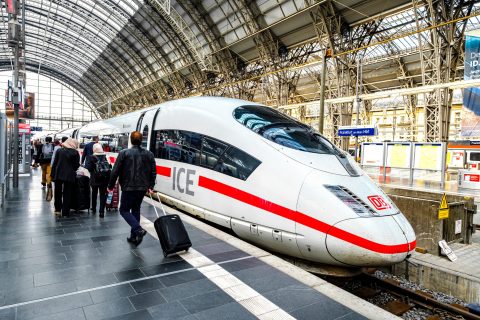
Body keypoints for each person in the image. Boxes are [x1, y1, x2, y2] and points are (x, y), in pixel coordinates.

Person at [108, 131, 156, 246]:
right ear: (141, 140)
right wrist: (151, 186)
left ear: (130, 140)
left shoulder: (124, 153)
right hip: (142, 188)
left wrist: (110, 186)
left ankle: (138, 229)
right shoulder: (149, 154)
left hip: (128, 187)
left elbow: (115, 171)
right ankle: (134, 237)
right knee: (136, 209)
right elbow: (153, 172)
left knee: (124, 210)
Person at [51, 138, 80, 217]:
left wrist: (52, 174)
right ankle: (65, 211)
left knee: (58, 192)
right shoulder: (75, 153)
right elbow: (76, 165)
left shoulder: (59, 151)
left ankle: (57, 209)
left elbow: (55, 163)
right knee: (67, 193)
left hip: (58, 174)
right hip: (69, 175)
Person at [85, 143, 111, 218]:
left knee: (94, 193)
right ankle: (101, 212)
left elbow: (88, 168)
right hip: (104, 179)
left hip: (95, 179)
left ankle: (93, 208)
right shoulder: (106, 156)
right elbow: (110, 166)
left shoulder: (91, 157)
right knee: (103, 194)